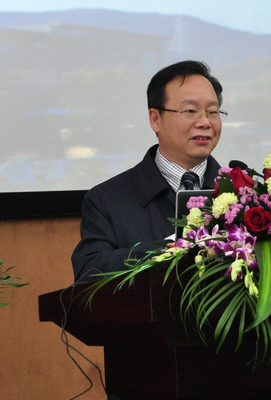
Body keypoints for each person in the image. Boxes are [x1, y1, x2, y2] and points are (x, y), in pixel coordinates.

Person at [71, 60, 225, 282]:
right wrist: (164, 252)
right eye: (190, 111)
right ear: (155, 119)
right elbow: (90, 271)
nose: (205, 122)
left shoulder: (244, 194)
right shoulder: (106, 201)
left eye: (212, 112)